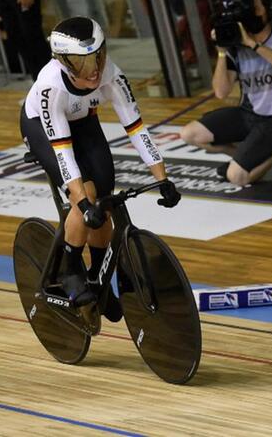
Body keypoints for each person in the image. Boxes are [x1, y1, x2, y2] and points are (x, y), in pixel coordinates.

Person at [20, 16, 180, 320]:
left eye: (98, 55)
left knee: (105, 200)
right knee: (88, 198)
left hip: (83, 123)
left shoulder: (111, 74)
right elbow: (64, 153)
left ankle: (98, 279)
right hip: (43, 128)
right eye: (83, 63)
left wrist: (163, 179)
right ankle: (70, 271)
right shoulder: (51, 87)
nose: (93, 69)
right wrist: (81, 201)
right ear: (65, 63)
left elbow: (136, 128)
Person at [181, 0, 272, 186]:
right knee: (189, 134)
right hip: (248, 114)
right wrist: (222, 53)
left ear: (266, 11)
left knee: (237, 177)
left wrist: (253, 44)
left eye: (256, 6)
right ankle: (242, 158)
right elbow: (221, 92)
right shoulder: (236, 47)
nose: (251, 10)